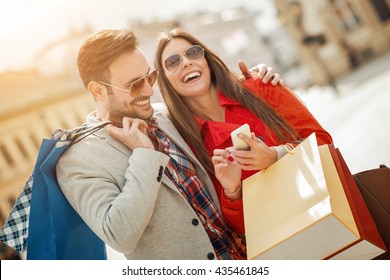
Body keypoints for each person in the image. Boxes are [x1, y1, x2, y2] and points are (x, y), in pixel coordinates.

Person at [55, 29, 281, 260]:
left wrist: (256, 82)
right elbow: (118, 235)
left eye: (149, 77)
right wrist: (144, 155)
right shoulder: (77, 159)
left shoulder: (165, 115)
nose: (149, 90)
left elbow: (214, 101)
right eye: (134, 85)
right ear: (98, 90)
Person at [154, 28, 333, 235]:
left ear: (207, 60)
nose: (186, 62)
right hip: (278, 241)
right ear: (165, 80)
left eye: (193, 52)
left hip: (325, 211)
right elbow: (239, 230)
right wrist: (232, 190)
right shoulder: (188, 144)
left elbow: (324, 143)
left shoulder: (260, 86)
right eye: (173, 62)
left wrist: (276, 155)